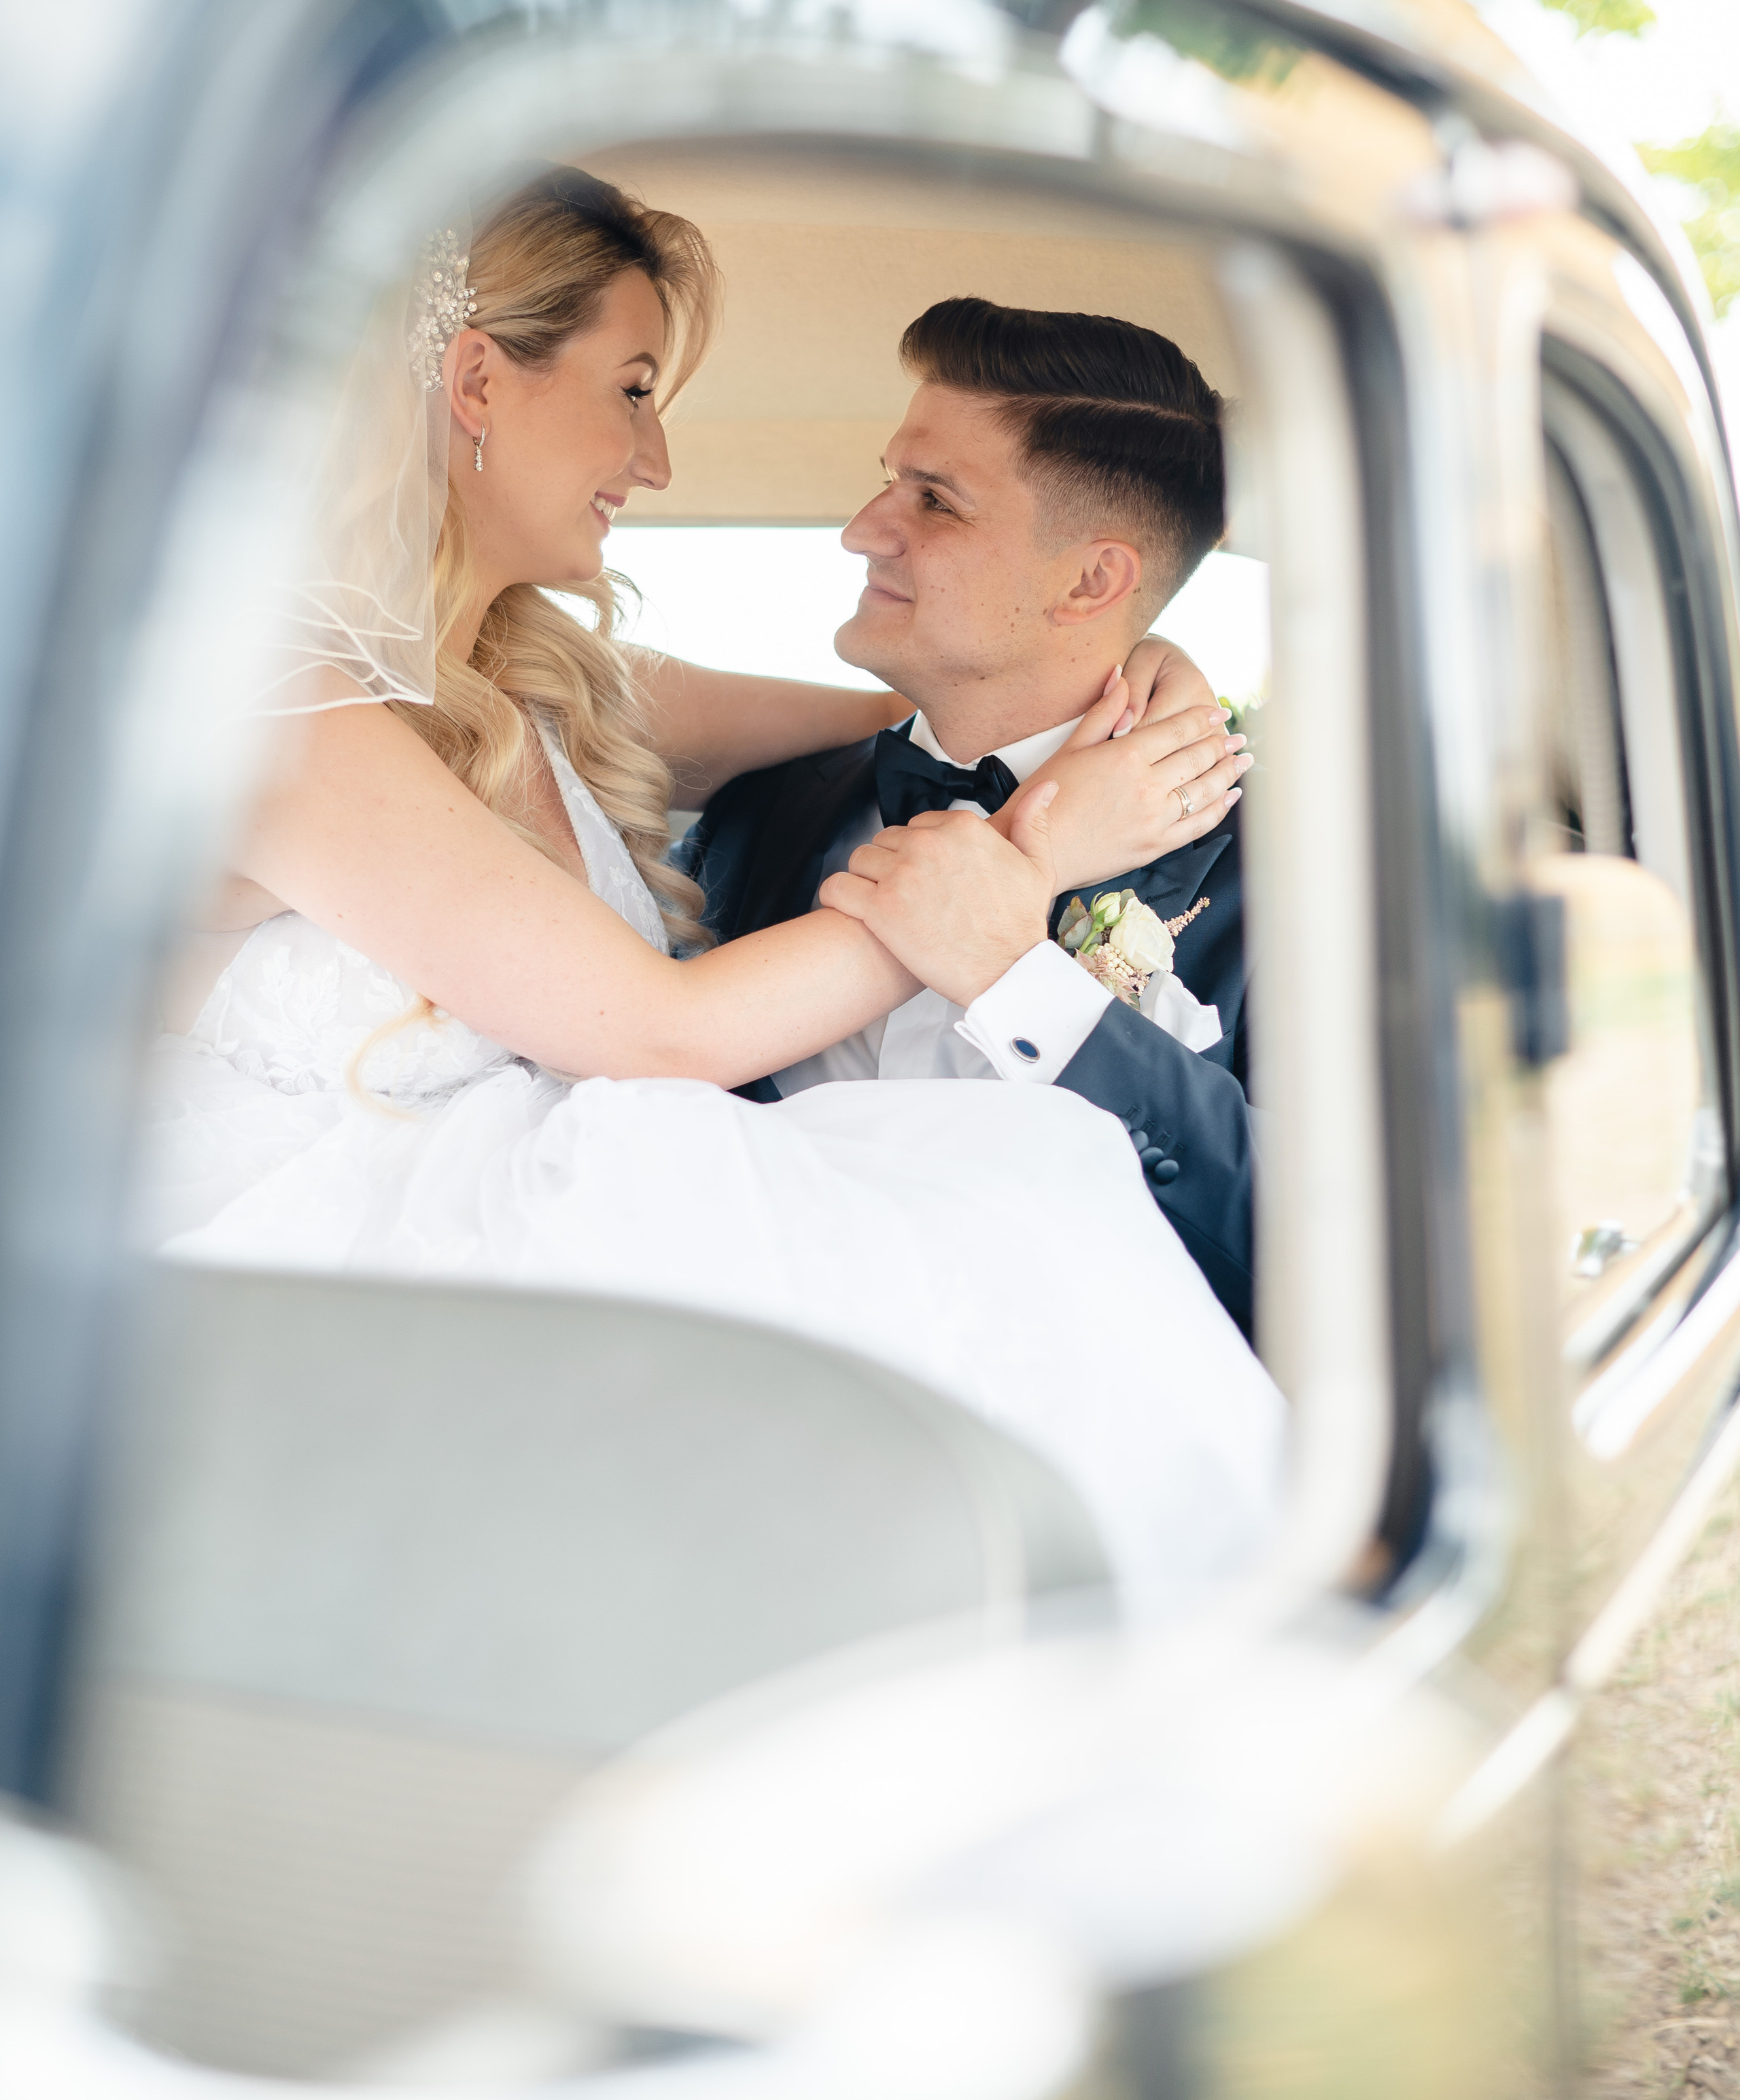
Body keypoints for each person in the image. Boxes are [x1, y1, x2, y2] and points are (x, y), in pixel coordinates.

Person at [141, 166, 1282, 1604]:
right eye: (631, 386)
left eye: (927, 497)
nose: (658, 455)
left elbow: (909, 722)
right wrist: (1032, 863)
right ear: (477, 384)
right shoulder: (269, 713)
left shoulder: (555, 688)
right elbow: (662, 1033)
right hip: (358, 1351)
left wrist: (1136, 681)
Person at [682, 296, 1256, 1334]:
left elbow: (1330, 1261)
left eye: (935, 500)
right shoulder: (764, 810)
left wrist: (1019, 980)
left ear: (1092, 580)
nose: (864, 530)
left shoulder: (1305, 874)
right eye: (888, 481)